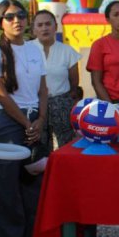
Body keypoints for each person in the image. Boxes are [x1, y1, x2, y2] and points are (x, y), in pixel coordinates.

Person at [0, 0, 47, 237]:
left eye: (21, 15)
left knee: (33, 187)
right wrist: (25, 122)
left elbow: (43, 89)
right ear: (0, 22)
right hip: (8, 122)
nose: (16, 21)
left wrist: (40, 120)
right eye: (9, 17)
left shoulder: (35, 48)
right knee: (7, 188)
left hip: (35, 119)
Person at [30, 9, 81, 148]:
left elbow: (74, 82)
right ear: (34, 29)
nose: (44, 28)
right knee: (38, 146)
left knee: (66, 144)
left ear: (56, 27)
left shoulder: (68, 51)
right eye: (40, 25)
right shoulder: (27, 49)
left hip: (62, 103)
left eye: (48, 24)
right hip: (34, 104)